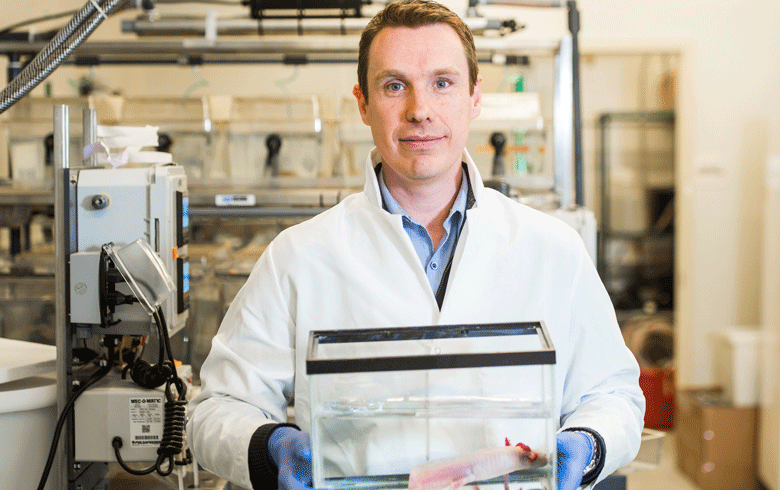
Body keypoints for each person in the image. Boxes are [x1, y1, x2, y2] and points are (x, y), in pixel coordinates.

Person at [187, 1, 645, 489]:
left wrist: (588, 444)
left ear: (474, 97)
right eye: (394, 85)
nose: (419, 110)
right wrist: (270, 447)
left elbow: (612, 393)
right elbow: (218, 408)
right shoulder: (298, 256)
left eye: (442, 83)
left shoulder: (553, 250)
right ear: (363, 104)